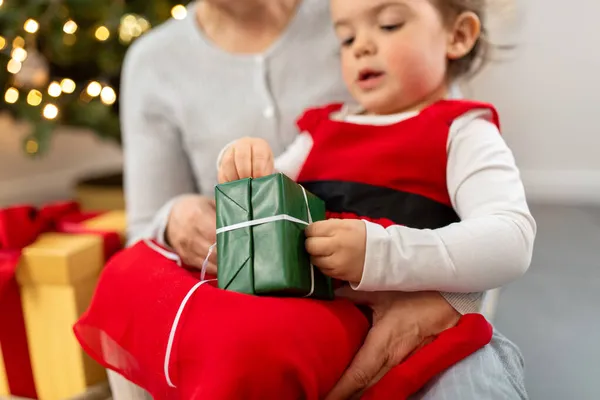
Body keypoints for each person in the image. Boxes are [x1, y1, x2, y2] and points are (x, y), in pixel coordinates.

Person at [100, 0, 533, 398]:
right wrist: (242, 163)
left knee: (475, 379)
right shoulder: (320, 131)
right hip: (312, 319)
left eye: (389, 24)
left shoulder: (462, 130)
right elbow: (261, 193)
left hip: (409, 323)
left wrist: (380, 255)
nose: (361, 45)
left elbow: (510, 238)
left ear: (457, 37)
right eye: (345, 38)